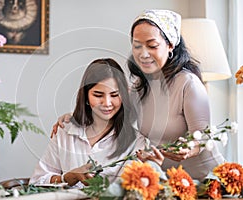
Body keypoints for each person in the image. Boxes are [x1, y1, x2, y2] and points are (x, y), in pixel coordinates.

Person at [51, 9, 225, 181]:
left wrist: (189, 147)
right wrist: (73, 118)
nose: (143, 53)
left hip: (205, 180)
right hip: (168, 181)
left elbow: (202, 135)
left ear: (170, 44)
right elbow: (110, 110)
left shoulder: (188, 83)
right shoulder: (139, 87)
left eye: (152, 45)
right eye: (137, 45)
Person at [29, 58, 164, 188]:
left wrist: (152, 170)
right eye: (98, 95)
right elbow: (37, 181)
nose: (107, 103)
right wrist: (67, 177)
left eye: (114, 95)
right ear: (86, 96)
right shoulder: (65, 131)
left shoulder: (136, 142)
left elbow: (130, 191)